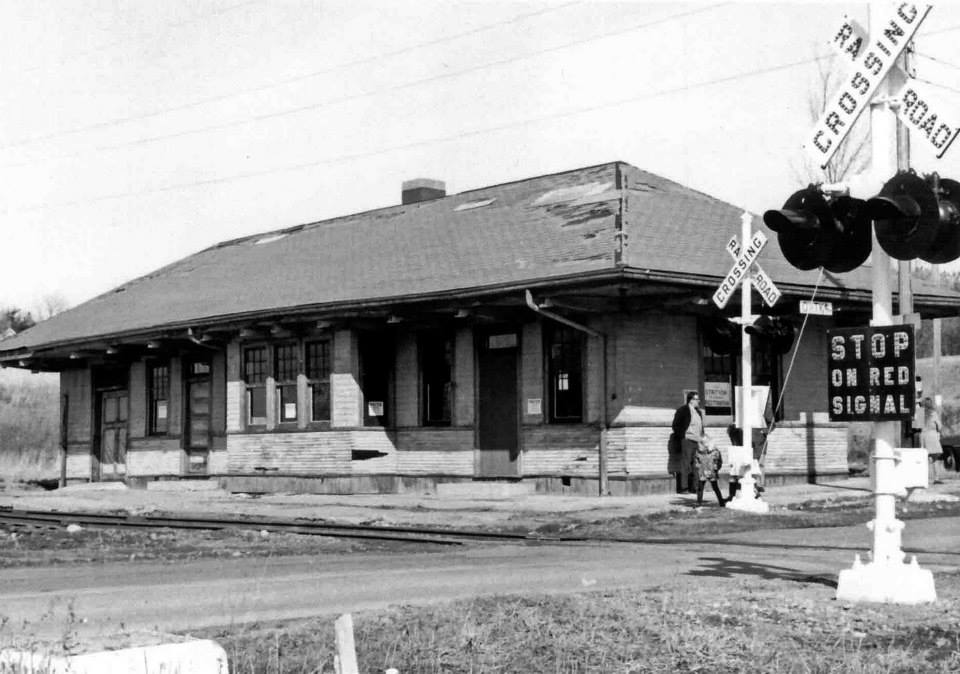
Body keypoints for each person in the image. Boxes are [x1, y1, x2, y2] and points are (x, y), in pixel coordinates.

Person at [672, 391, 704, 494]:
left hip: (697, 441)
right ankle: (683, 487)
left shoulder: (698, 412)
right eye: (696, 399)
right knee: (685, 464)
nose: (698, 401)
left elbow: (701, 427)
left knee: (696, 465)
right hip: (687, 441)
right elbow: (675, 426)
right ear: (691, 400)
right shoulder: (683, 410)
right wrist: (683, 435)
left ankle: (695, 487)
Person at [694, 436, 726, 507]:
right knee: (701, 488)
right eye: (703, 442)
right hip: (703, 471)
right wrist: (698, 466)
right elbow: (696, 460)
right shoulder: (699, 451)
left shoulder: (715, 451)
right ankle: (699, 503)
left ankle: (721, 502)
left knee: (714, 487)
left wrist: (716, 468)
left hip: (710, 472)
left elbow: (719, 461)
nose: (704, 444)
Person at [920, 397, 944, 485]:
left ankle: (922, 478)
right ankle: (936, 478)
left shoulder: (919, 413)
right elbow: (939, 426)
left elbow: (916, 427)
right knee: (935, 458)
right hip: (932, 435)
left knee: (923, 458)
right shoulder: (933, 413)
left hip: (923, 435)